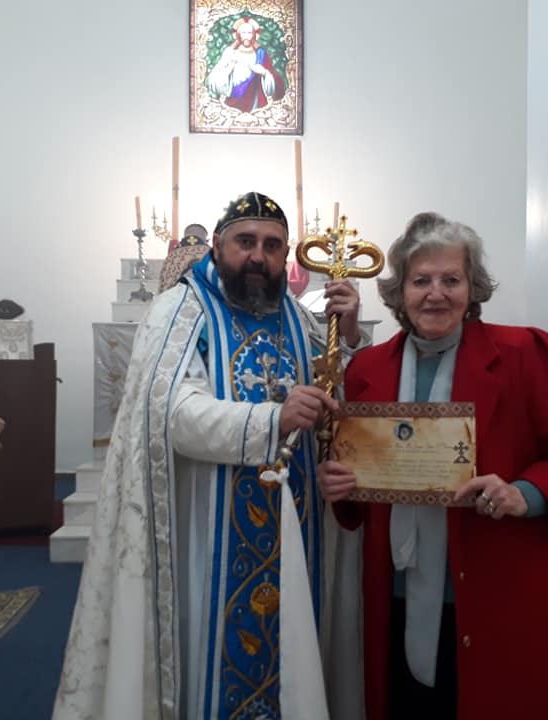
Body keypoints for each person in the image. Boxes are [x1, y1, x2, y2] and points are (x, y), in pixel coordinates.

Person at [54, 192, 365, 720]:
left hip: (295, 522)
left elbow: (337, 394)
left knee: (291, 647)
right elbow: (174, 416)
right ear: (217, 245)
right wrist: (272, 420)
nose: (258, 256)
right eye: (246, 241)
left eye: (272, 245)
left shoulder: (294, 315)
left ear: (286, 255)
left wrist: (349, 336)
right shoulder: (182, 311)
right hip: (208, 521)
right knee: (211, 652)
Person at [319, 212, 548, 720]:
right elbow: (361, 500)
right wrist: (340, 485)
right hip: (394, 599)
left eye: (451, 280)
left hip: (494, 595)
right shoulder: (367, 368)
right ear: (400, 292)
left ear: (472, 288)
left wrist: (524, 493)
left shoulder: (524, 353)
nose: (436, 294)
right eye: (421, 281)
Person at [206, 17, 286, 113]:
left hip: (255, 103)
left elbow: (277, 84)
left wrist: (264, 73)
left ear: (254, 35)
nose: (247, 36)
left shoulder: (260, 55)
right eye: (243, 33)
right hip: (231, 103)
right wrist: (228, 70)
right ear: (238, 35)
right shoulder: (230, 54)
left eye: (249, 33)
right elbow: (212, 81)